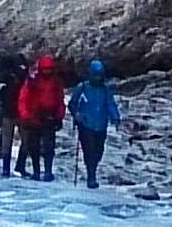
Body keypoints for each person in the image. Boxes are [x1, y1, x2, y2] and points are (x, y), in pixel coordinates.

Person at [66, 59, 121, 188]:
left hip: (101, 124)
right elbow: (72, 104)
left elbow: (110, 104)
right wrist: (77, 114)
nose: (98, 78)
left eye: (100, 75)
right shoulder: (82, 88)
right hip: (86, 125)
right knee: (89, 150)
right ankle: (91, 175)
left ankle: (93, 169)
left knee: (99, 151)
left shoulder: (105, 90)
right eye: (95, 75)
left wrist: (115, 117)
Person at [17, 53, 66, 180]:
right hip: (34, 117)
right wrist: (25, 115)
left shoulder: (56, 83)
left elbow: (60, 100)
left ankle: (48, 171)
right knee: (34, 146)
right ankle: (36, 171)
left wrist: (59, 116)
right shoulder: (32, 82)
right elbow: (23, 99)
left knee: (49, 146)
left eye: (49, 69)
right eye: (45, 69)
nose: (47, 71)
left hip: (50, 117)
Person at [0, 50, 24, 175]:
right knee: (24, 139)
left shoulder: (0, 76)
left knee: (6, 139)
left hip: (7, 111)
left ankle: (6, 167)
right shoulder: (21, 76)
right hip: (19, 111)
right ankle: (19, 165)